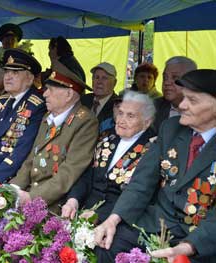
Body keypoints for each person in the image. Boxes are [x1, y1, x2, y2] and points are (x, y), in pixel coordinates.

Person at [93, 69, 216, 263]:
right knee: (107, 245)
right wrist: (113, 219)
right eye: (184, 98)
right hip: (155, 225)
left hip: (199, 239)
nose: (182, 105)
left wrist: (187, 247)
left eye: (192, 101)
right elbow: (142, 182)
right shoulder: (171, 128)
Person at [10, 60, 98, 213]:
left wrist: (32, 198)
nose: (44, 94)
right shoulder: (48, 117)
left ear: (69, 94)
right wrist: (13, 189)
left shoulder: (85, 122)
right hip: (30, 195)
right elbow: (31, 159)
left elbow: (69, 172)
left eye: (50, 89)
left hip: (54, 204)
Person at [62, 91, 156, 222]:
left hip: (117, 219)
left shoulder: (153, 149)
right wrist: (73, 200)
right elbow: (87, 174)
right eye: (121, 113)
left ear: (147, 122)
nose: (122, 120)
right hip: (84, 208)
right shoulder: (106, 136)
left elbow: (137, 196)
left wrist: (99, 216)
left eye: (130, 116)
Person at [0, 48, 46, 184]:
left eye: (15, 73)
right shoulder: (1, 102)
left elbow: (24, 149)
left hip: (10, 177)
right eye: (7, 71)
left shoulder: (36, 106)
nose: (7, 77)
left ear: (30, 79)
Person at [153, 56, 197, 132]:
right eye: (165, 77)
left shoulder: (204, 111)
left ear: (191, 81)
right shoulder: (153, 107)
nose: (166, 83)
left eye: (175, 78)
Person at [81, 62, 118, 133]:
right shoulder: (83, 100)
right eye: (96, 77)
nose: (99, 82)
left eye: (104, 78)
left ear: (114, 83)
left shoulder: (118, 106)